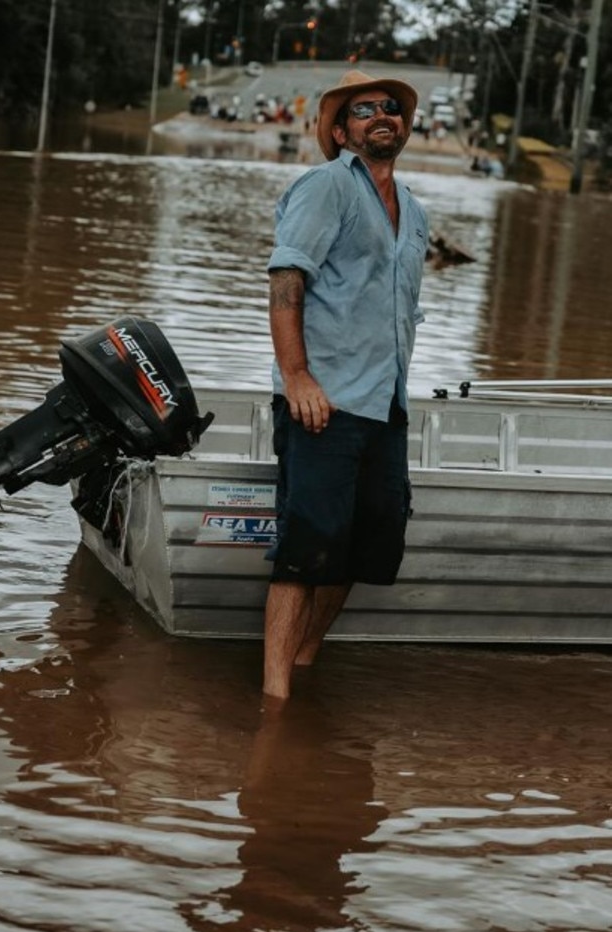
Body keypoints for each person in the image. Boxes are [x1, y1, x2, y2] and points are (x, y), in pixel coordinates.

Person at [263, 69, 429, 700]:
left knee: (367, 545)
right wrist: (297, 376)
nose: (382, 115)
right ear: (341, 130)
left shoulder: (414, 211)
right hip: (322, 404)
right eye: (364, 110)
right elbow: (286, 281)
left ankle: (305, 664)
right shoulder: (325, 187)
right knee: (305, 551)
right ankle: (275, 705)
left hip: (385, 405)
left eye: (392, 107)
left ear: (404, 125)